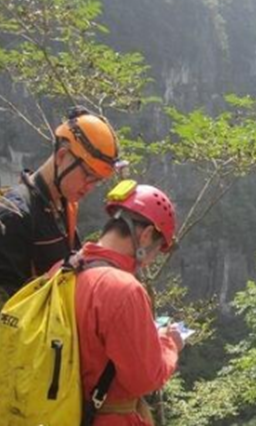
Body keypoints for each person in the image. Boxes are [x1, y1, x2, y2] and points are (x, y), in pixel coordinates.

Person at [0, 106, 121, 321]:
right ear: (62, 156)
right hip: (22, 351)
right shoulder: (15, 215)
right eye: (88, 176)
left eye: (97, 182)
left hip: (55, 344)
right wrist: (53, 278)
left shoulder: (64, 207)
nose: (89, 187)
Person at [72, 181, 182, 425]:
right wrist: (169, 344)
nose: (151, 260)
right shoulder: (124, 289)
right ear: (145, 236)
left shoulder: (63, 270)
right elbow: (145, 379)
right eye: (156, 250)